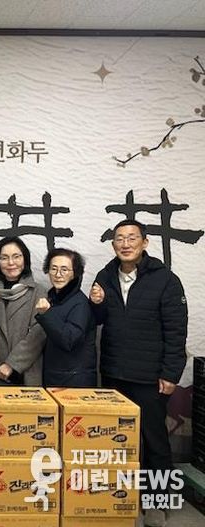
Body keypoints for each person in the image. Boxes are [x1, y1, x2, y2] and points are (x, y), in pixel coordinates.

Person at [89, 219, 187, 527]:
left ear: (144, 243)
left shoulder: (165, 280)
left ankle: (157, 501)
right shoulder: (105, 276)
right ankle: (119, 497)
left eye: (132, 238)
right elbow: (97, 320)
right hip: (114, 373)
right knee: (116, 441)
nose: (125, 243)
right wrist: (96, 304)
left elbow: (176, 331)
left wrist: (171, 374)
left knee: (154, 441)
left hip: (149, 376)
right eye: (120, 238)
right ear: (113, 244)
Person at [0, 236, 46, 385]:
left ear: (25, 259)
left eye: (16, 256)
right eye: (4, 258)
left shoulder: (37, 292)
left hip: (23, 374)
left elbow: (38, 334)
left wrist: (11, 364)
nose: (11, 263)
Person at [34, 247, 96, 387]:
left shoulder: (80, 303)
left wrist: (46, 314)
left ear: (75, 273)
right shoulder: (53, 298)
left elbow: (69, 340)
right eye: (53, 269)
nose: (58, 274)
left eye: (64, 270)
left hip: (74, 380)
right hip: (55, 376)